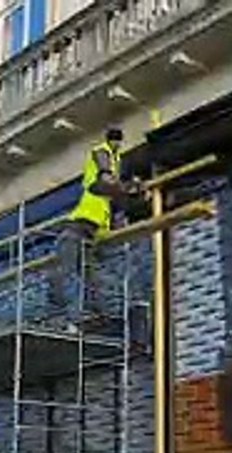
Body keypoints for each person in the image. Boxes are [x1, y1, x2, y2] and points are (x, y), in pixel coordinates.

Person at [51, 127, 145, 331]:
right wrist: (129, 187)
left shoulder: (105, 204)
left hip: (88, 237)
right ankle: (69, 319)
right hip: (75, 231)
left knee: (91, 277)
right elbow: (104, 183)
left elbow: (113, 199)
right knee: (70, 273)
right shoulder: (101, 157)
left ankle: (98, 314)